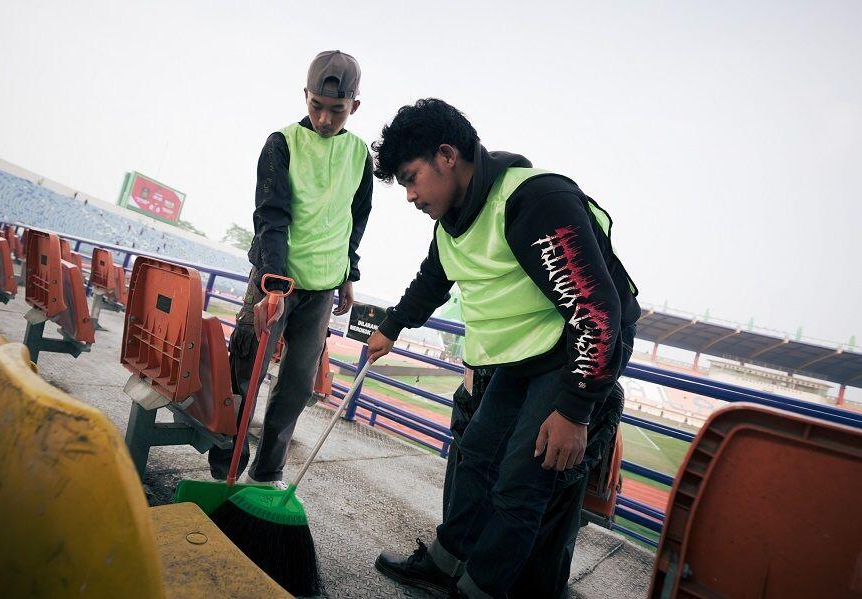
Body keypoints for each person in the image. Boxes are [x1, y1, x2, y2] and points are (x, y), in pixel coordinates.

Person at [367, 99, 640, 598]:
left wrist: (576, 410)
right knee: (476, 455)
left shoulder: (535, 201)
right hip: (522, 356)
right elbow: (434, 278)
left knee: (522, 480)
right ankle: (447, 563)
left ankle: (481, 589)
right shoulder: (452, 219)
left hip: (574, 351)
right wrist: (391, 328)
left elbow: (599, 313)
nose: (409, 195)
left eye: (411, 178)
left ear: (447, 156)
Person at [207, 50, 373, 486]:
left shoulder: (360, 155)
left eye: (335, 110)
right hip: (274, 280)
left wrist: (348, 275)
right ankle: (224, 468)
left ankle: (265, 474)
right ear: (305, 96)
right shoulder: (281, 143)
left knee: (297, 386)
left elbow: (356, 218)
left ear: (354, 107)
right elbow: (271, 216)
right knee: (245, 373)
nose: (323, 118)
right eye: (316, 105)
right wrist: (273, 282)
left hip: (321, 289)